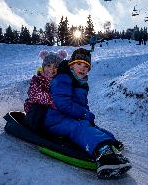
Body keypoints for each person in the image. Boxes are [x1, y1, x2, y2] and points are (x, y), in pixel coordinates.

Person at [44, 48, 131, 178]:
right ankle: (104, 154)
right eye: (79, 64)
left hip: (70, 117)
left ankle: (108, 141)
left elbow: (82, 105)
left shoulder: (81, 83)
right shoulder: (63, 78)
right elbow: (62, 104)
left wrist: (87, 115)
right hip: (57, 119)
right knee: (80, 127)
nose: (83, 68)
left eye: (86, 66)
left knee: (89, 126)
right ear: (71, 64)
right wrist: (84, 114)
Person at [24, 50, 67, 133]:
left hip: (52, 111)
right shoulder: (38, 79)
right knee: (39, 107)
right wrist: (53, 101)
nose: (52, 69)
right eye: (48, 65)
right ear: (43, 67)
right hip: (35, 111)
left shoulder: (61, 81)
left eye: (56, 66)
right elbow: (34, 94)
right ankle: (32, 129)